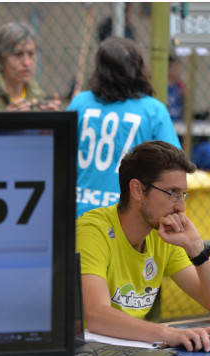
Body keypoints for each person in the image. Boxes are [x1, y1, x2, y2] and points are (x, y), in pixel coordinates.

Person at [76, 140, 210, 351]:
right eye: (172, 193)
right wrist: (168, 333)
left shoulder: (163, 233)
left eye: (182, 194)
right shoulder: (93, 230)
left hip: (131, 352)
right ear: (137, 189)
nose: (181, 207)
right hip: (85, 355)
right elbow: (97, 316)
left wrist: (196, 248)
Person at [68, 37, 182, 219]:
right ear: (138, 70)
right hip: (127, 218)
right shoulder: (153, 110)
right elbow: (174, 166)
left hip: (79, 212)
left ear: (99, 70)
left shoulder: (80, 103)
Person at [167, 50, 187, 122]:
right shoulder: (161, 86)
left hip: (177, 120)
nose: (177, 72)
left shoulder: (179, 85)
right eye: (174, 70)